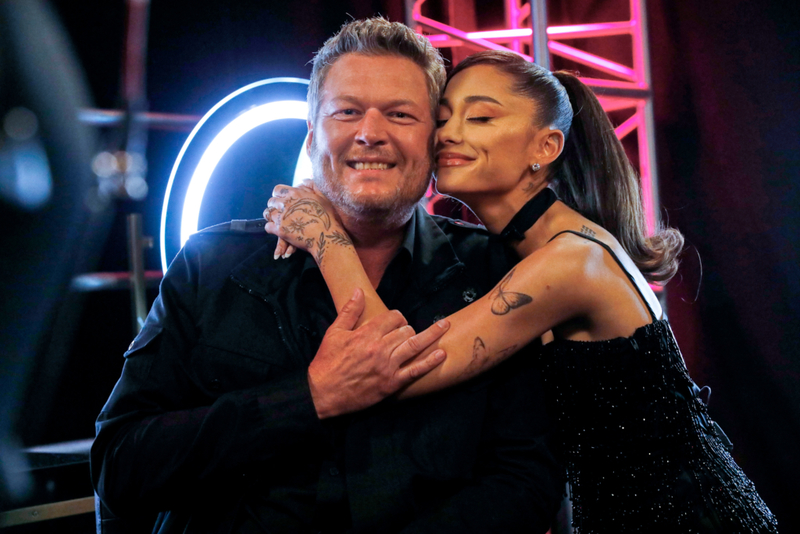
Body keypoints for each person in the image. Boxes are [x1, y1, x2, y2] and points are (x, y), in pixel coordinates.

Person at [265, 51, 779, 532]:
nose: (449, 134)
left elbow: (392, 364)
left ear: (546, 147)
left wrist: (325, 236)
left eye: (481, 118)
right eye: (443, 118)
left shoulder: (569, 261)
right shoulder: (534, 252)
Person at [91, 20, 564, 534]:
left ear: (435, 144)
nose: (370, 133)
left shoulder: (496, 273)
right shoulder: (212, 263)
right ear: (314, 137)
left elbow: (526, 482)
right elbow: (119, 467)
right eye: (348, 111)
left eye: (400, 115)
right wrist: (309, 397)